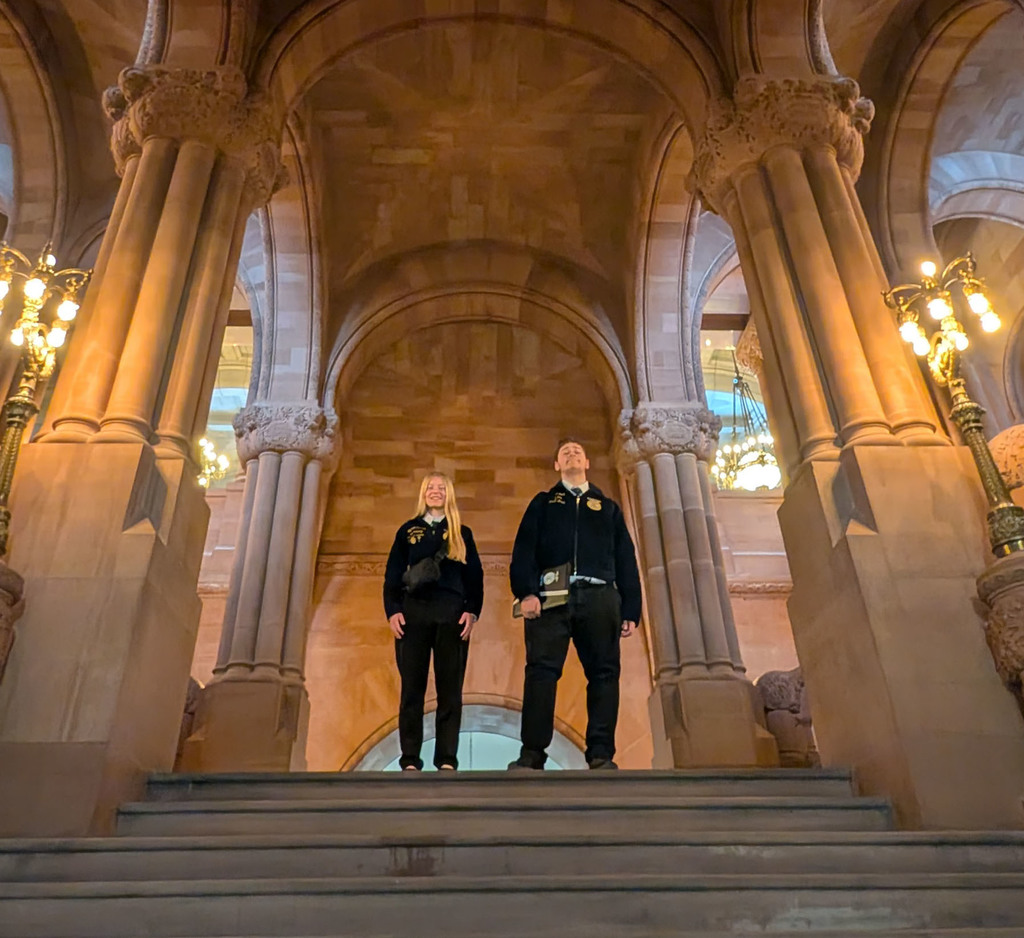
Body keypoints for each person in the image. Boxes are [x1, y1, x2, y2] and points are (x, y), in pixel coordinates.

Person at [508, 437, 642, 770]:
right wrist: (526, 592)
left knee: (604, 674)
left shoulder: (607, 507)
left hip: (599, 597)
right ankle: (533, 753)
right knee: (540, 672)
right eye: (565, 452)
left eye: (578, 451)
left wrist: (631, 609)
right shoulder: (543, 503)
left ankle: (600, 752)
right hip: (551, 599)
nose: (571, 454)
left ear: (586, 464)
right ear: (557, 465)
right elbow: (524, 550)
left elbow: (626, 558)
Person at [384, 473, 484, 771]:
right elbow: (392, 574)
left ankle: (446, 759)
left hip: (451, 613)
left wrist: (472, 611)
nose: (436, 492)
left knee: (450, 689)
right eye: (431, 487)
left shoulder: (461, 533)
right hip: (413, 613)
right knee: (412, 688)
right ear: (423, 493)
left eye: (442, 488)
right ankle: (411, 758)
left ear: (449, 494)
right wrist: (392, 610)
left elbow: (475, 578)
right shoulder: (408, 531)